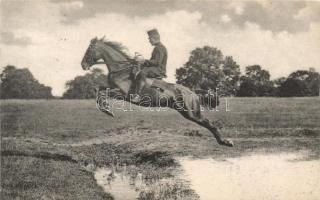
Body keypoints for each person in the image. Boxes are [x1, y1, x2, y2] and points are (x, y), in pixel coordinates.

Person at [131, 29, 167, 102]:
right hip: (155, 68)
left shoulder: (159, 48)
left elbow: (157, 62)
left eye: (150, 38)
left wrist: (143, 60)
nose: (149, 40)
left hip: (159, 70)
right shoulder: (158, 47)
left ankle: (138, 95)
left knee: (143, 72)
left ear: (155, 38)